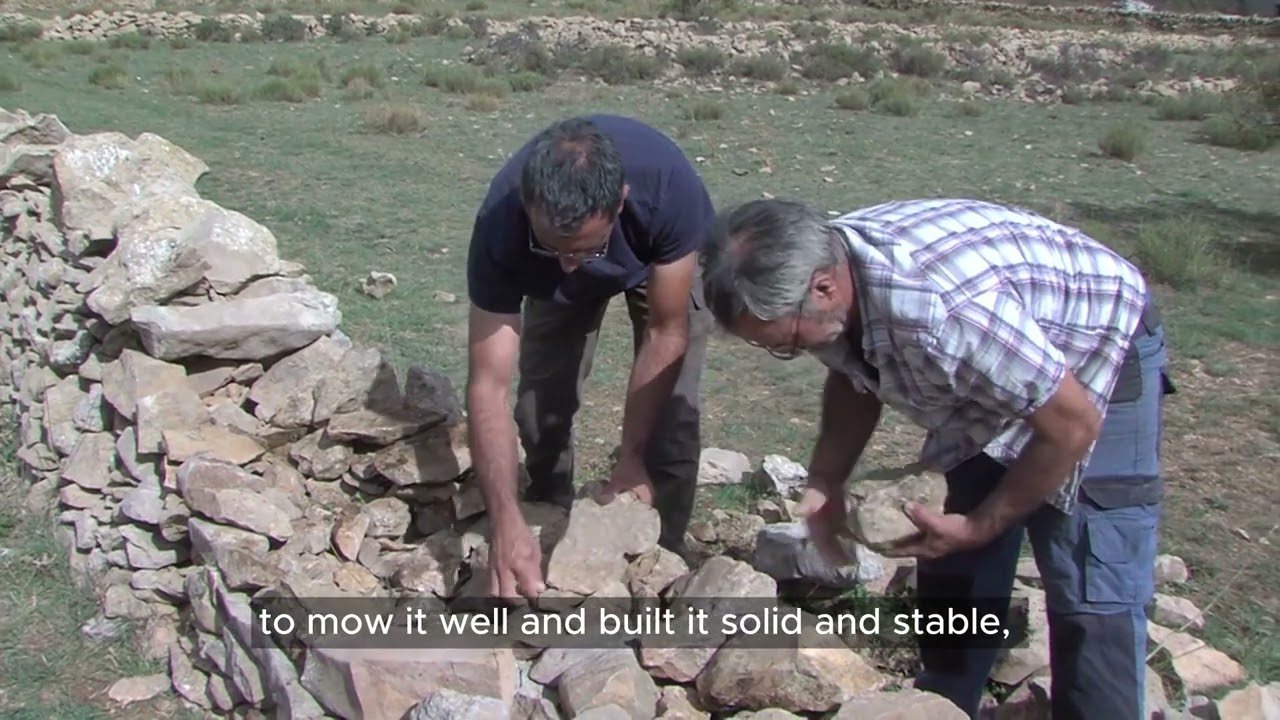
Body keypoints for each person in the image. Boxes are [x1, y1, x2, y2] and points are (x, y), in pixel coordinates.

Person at [698, 197, 1174, 719]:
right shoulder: (833, 278)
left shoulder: (941, 314)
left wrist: (983, 525)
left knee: (1088, 581)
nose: (789, 354)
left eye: (786, 345)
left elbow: (1072, 424)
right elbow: (851, 371)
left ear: (825, 288)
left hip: (1091, 349)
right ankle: (943, 702)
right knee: (949, 552)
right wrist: (826, 480)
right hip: (999, 356)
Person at [464, 114, 716, 601]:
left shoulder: (667, 190)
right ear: (527, 206)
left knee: (672, 419)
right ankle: (541, 517)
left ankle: (664, 561)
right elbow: (486, 386)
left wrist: (631, 457)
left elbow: (666, 332)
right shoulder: (500, 224)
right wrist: (504, 520)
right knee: (540, 405)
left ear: (620, 201)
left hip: (658, 265)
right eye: (552, 246)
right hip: (548, 285)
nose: (569, 265)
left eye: (584, 248)